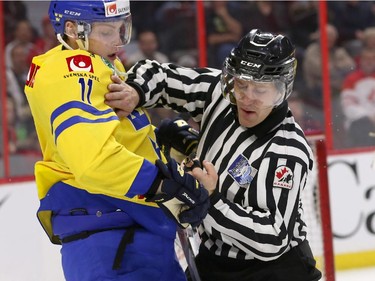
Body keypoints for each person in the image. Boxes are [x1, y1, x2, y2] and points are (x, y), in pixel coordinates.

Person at [105, 29, 323, 281]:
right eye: (241, 84)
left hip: (274, 272)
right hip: (212, 262)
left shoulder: (287, 150)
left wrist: (209, 198)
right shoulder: (218, 94)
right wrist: (135, 91)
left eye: (260, 90)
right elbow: (159, 75)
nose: (247, 98)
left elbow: (272, 239)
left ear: (281, 90)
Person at [24, 1, 210, 280]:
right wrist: (162, 184)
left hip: (129, 231)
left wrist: (160, 145)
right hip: (110, 237)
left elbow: (111, 139)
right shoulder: (72, 69)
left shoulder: (100, 61)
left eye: (122, 29)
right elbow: (93, 159)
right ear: (73, 29)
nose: (119, 41)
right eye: (107, 31)